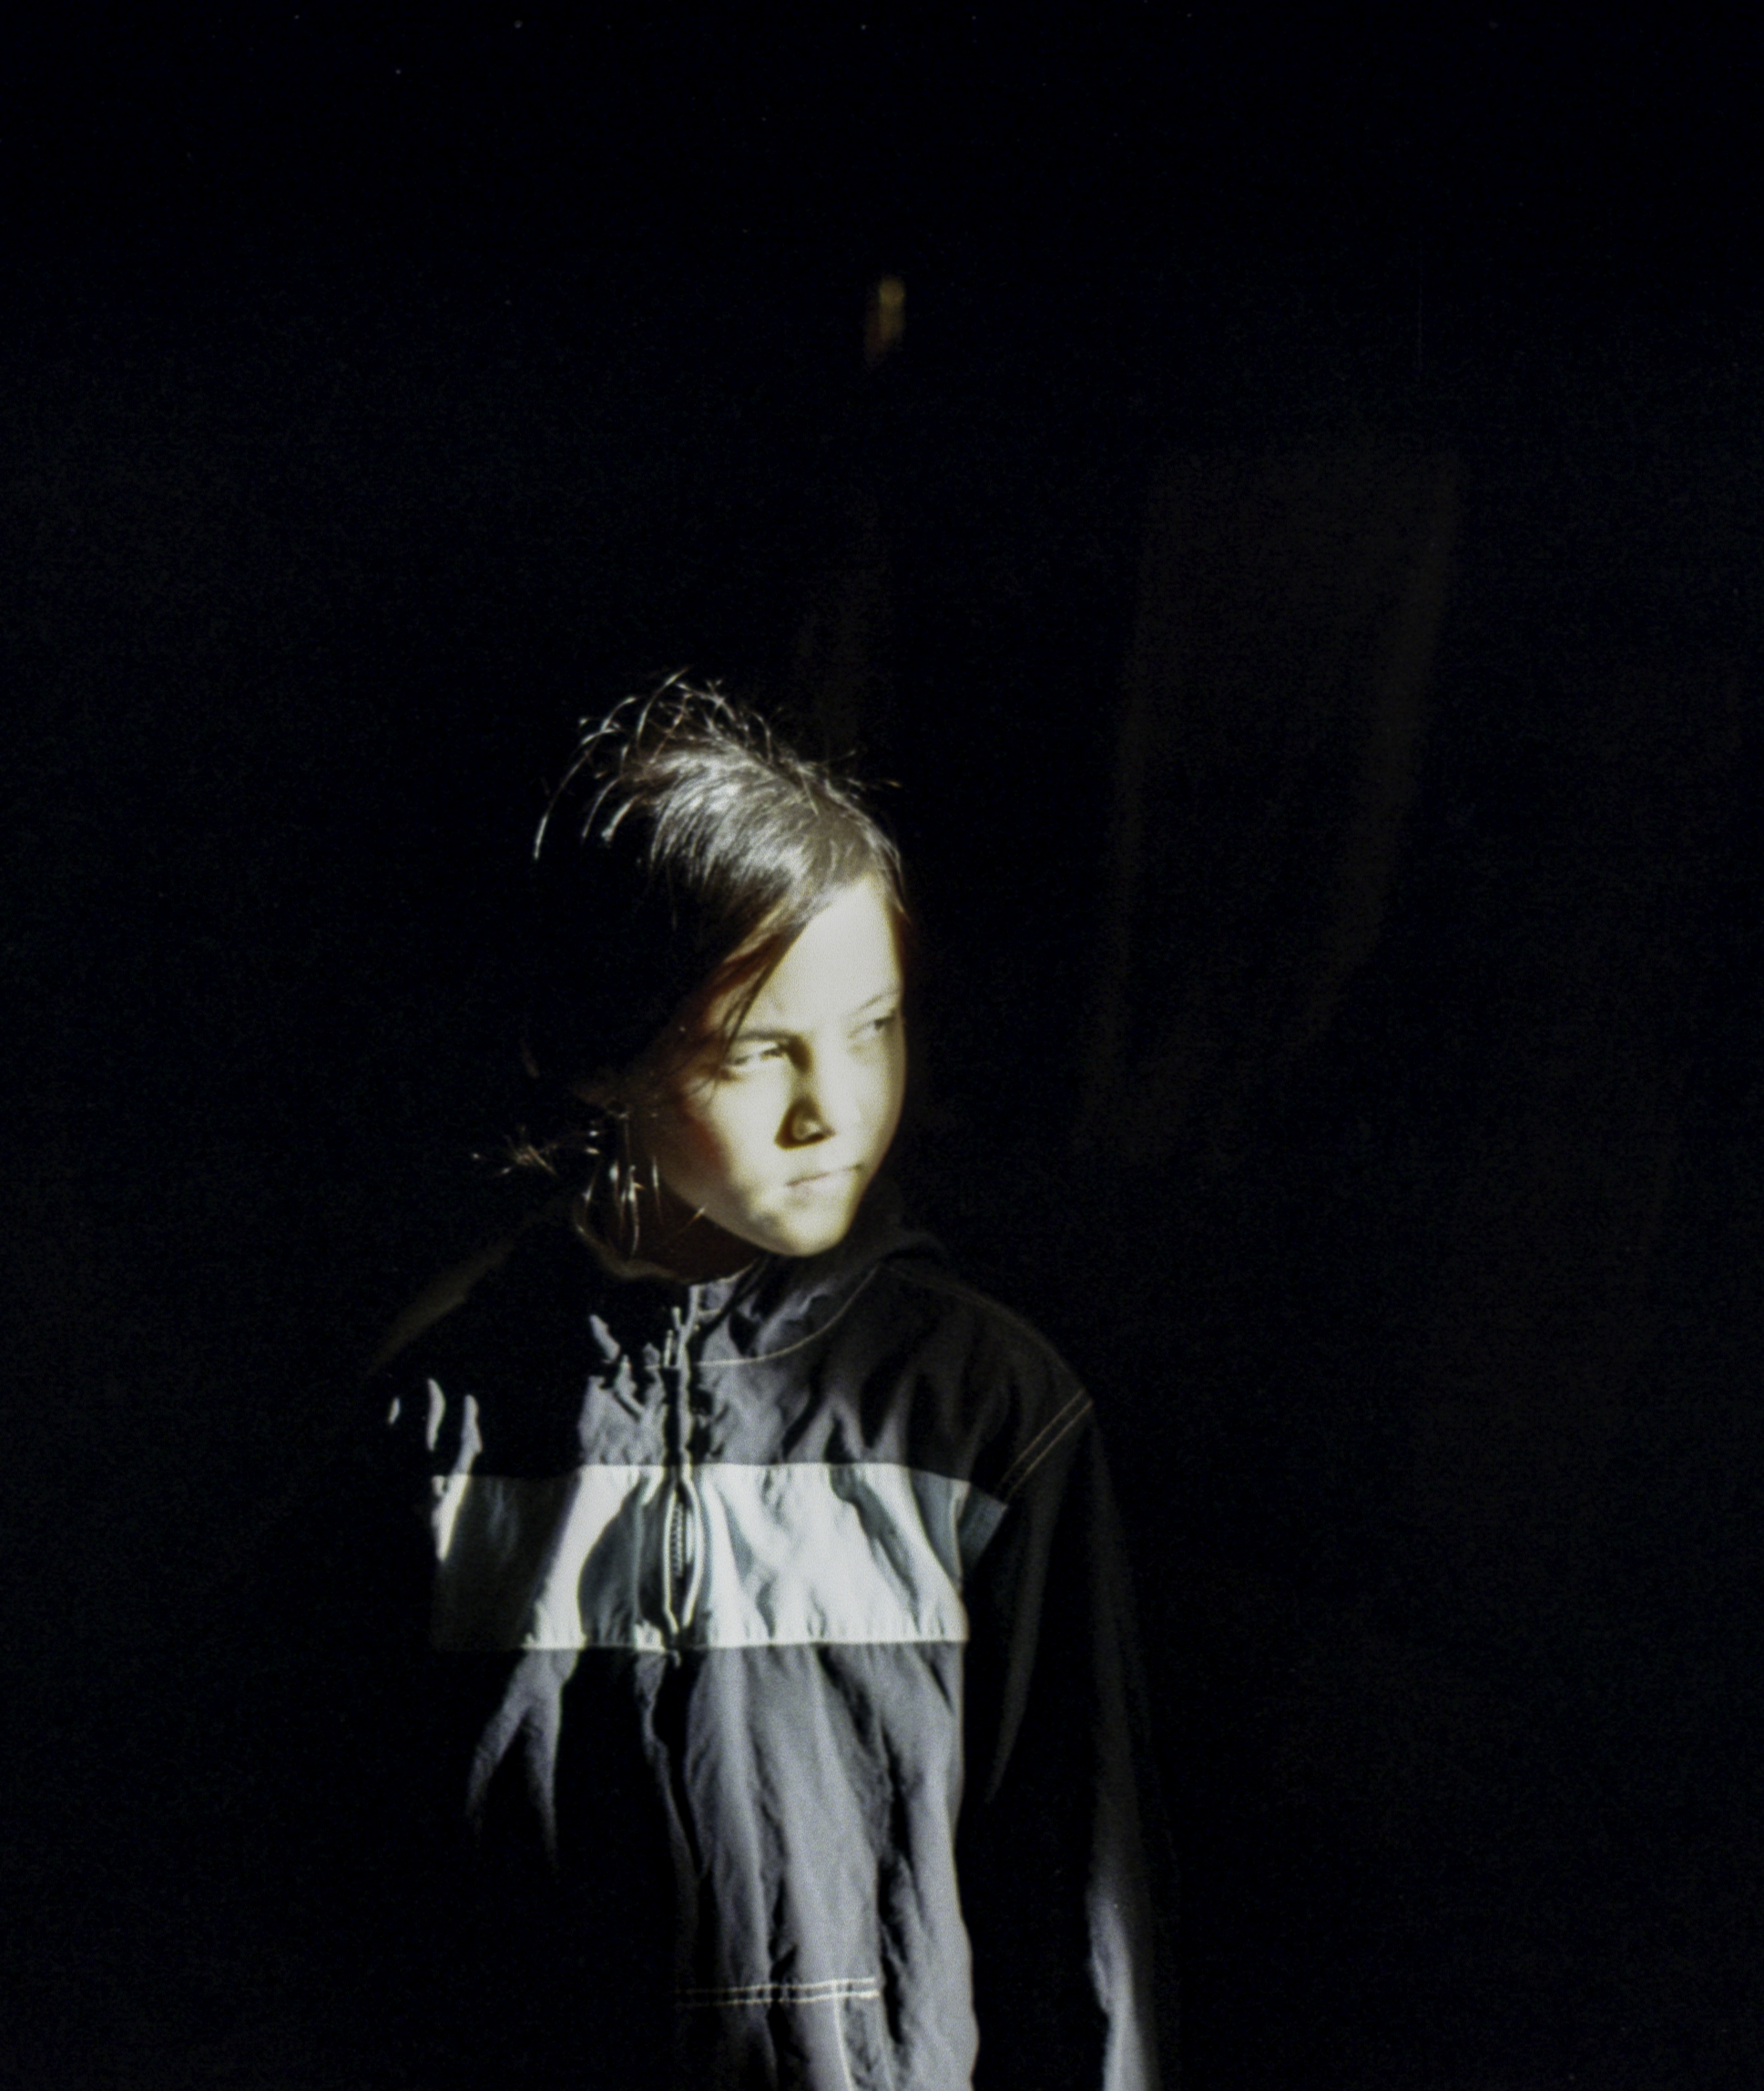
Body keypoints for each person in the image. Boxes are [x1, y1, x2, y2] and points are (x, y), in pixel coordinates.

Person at [326, 681, 1160, 2089]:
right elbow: (342, 1886)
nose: (833, 1108)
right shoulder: (443, 1419)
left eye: (873, 1027)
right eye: (760, 1049)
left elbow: (1079, 1894)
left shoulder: (984, 1415)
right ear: (599, 1059)